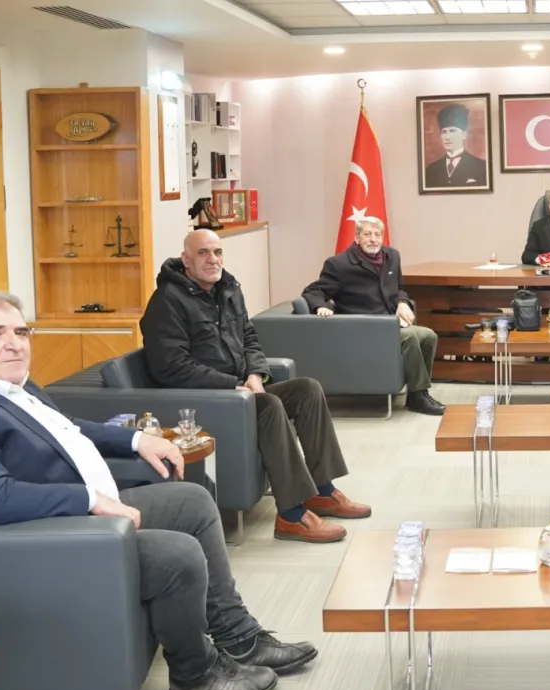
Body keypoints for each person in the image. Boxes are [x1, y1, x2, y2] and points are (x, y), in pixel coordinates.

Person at [0, 290, 319, 690]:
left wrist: (136, 439)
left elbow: (66, 427)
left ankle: (239, 636)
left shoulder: (8, 386)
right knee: (177, 554)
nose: (14, 343)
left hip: (84, 517)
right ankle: (194, 671)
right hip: (49, 539)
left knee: (192, 501)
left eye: (21, 332)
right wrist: (87, 498)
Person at [141, 230, 371, 544]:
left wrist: (255, 374)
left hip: (241, 391)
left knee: (308, 390)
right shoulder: (167, 301)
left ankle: (321, 490)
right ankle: (291, 515)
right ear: (186, 260)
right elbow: (170, 367)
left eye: (217, 252)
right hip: (206, 401)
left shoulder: (228, 289)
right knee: (269, 405)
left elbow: (249, 338)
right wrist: (231, 386)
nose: (213, 260)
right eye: (203, 253)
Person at [300, 217, 446, 416]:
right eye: (367, 234)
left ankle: (416, 394)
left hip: (390, 323)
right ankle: (420, 396)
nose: (373, 239)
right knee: (410, 338)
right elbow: (313, 291)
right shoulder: (339, 264)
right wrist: (320, 307)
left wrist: (403, 302)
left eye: (377, 235)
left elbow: (399, 289)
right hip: (363, 328)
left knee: (428, 336)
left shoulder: (392, 256)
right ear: (357, 238)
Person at [423, 103, 488, 189]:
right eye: (444, 132)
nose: (447, 137)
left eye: (452, 131)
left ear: (464, 135)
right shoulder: (431, 170)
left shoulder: (481, 167)